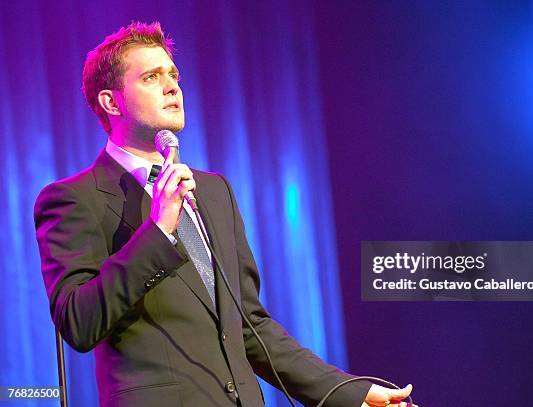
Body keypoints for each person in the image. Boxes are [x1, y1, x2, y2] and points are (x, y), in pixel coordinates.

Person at [34, 21, 415, 407]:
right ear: (111, 102)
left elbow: (250, 327)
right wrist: (159, 231)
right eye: (151, 77)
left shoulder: (215, 191)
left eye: (173, 75)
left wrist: (350, 394)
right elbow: (78, 322)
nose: (172, 87)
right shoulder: (73, 199)